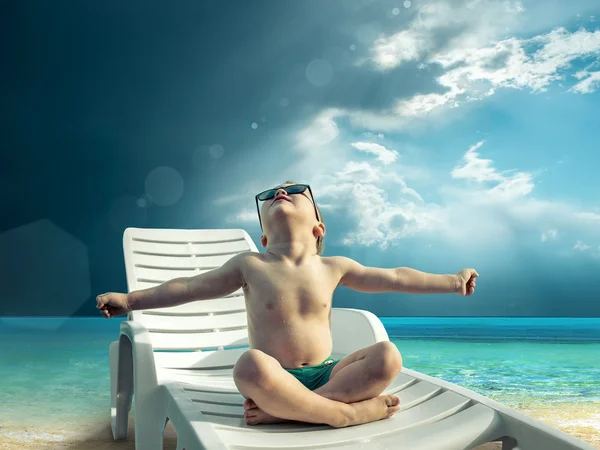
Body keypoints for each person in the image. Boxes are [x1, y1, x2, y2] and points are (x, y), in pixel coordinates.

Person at [97, 181, 478, 428]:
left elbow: (396, 277)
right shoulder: (250, 265)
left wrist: (452, 282)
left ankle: (297, 409)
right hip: (273, 378)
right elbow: (190, 286)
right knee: (248, 364)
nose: (280, 192)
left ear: (319, 228)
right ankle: (344, 414)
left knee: (388, 355)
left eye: (295, 190)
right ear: (263, 236)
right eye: (270, 195)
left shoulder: (334, 267)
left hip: (330, 374)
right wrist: (131, 300)